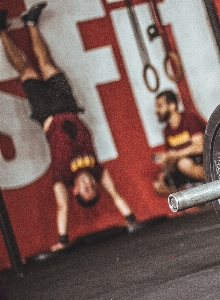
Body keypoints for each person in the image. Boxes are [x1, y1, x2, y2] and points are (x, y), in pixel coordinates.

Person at [0, 3, 142, 252]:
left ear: (75, 190)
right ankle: (31, 23)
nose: (89, 184)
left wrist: (62, 241)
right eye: (92, 188)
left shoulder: (62, 178)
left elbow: (63, 207)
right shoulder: (96, 170)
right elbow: (116, 195)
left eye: (85, 189)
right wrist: (131, 219)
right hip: (67, 105)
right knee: (47, 63)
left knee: (26, 69)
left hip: (48, 113)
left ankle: (1, 30)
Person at [153, 90, 206, 196]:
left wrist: (175, 154)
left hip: (205, 161)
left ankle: (214, 184)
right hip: (186, 168)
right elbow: (172, 159)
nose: (156, 110)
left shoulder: (189, 119)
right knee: (158, 185)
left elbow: (200, 147)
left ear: (172, 106)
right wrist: (166, 165)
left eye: (159, 106)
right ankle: (192, 193)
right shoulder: (167, 131)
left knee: (183, 164)